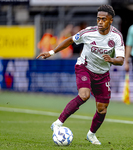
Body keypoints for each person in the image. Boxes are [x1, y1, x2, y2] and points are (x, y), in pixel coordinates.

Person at [36, 5, 125, 145]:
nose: (100, 22)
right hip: (85, 67)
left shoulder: (116, 37)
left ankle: (91, 134)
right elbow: (70, 40)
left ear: (111, 21)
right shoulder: (88, 32)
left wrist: (111, 59)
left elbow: (121, 60)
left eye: (104, 19)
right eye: (98, 19)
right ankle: (58, 123)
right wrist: (51, 52)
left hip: (102, 74)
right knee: (84, 95)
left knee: (102, 109)